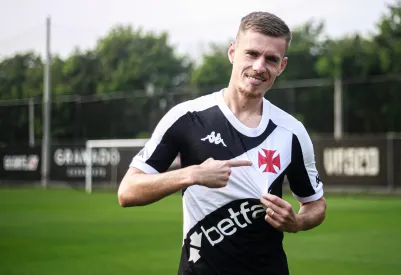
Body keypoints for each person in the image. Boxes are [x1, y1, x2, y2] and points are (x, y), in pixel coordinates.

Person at [118, 11, 327, 275]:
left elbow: (316, 205)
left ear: (282, 66)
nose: (260, 67)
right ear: (232, 52)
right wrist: (192, 174)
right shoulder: (186, 117)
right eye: (251, 54)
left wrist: (296, 222)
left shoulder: (291, 132)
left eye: (271, 59)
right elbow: (127, 192)